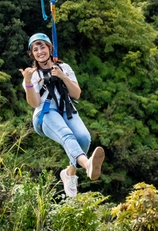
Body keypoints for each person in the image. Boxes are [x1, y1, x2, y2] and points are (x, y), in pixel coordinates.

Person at [20, 33, 105, 197]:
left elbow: (76, 94)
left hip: (66, 108)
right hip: (45, 114)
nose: (40, 52)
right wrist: (29, 82)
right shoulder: (32, 75)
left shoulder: (63, 68)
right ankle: (87, 165)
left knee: (83, 138)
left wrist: (62, 76)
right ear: (32, 54)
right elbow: (34, 103)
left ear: (49, 48)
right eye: (35, 49)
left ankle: (69, 173)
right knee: (67, 135)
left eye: (42, 47)